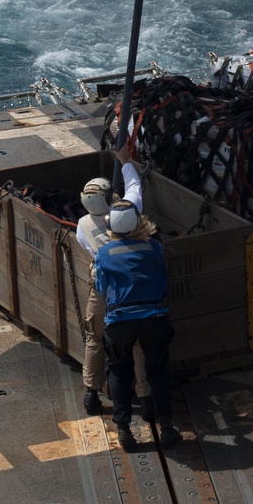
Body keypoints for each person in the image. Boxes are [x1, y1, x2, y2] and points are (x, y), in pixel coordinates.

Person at [94, 157, 183, 453]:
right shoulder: (154, 247)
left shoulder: (105, 253)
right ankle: (167, 427)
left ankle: (124, 430)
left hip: (120, 322)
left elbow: (101, 288)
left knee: (119, 370)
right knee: (158, 370)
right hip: (155, 318)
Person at [75, 149, 153, 420]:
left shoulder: (82, 226)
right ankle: (144, 395)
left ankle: (90, 392)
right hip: (129, 291)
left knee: (94, 338)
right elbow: (134, 187)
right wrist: (124, 161)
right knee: (136, 343)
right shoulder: (128, 213)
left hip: (101, 290)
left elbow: (89, 250)